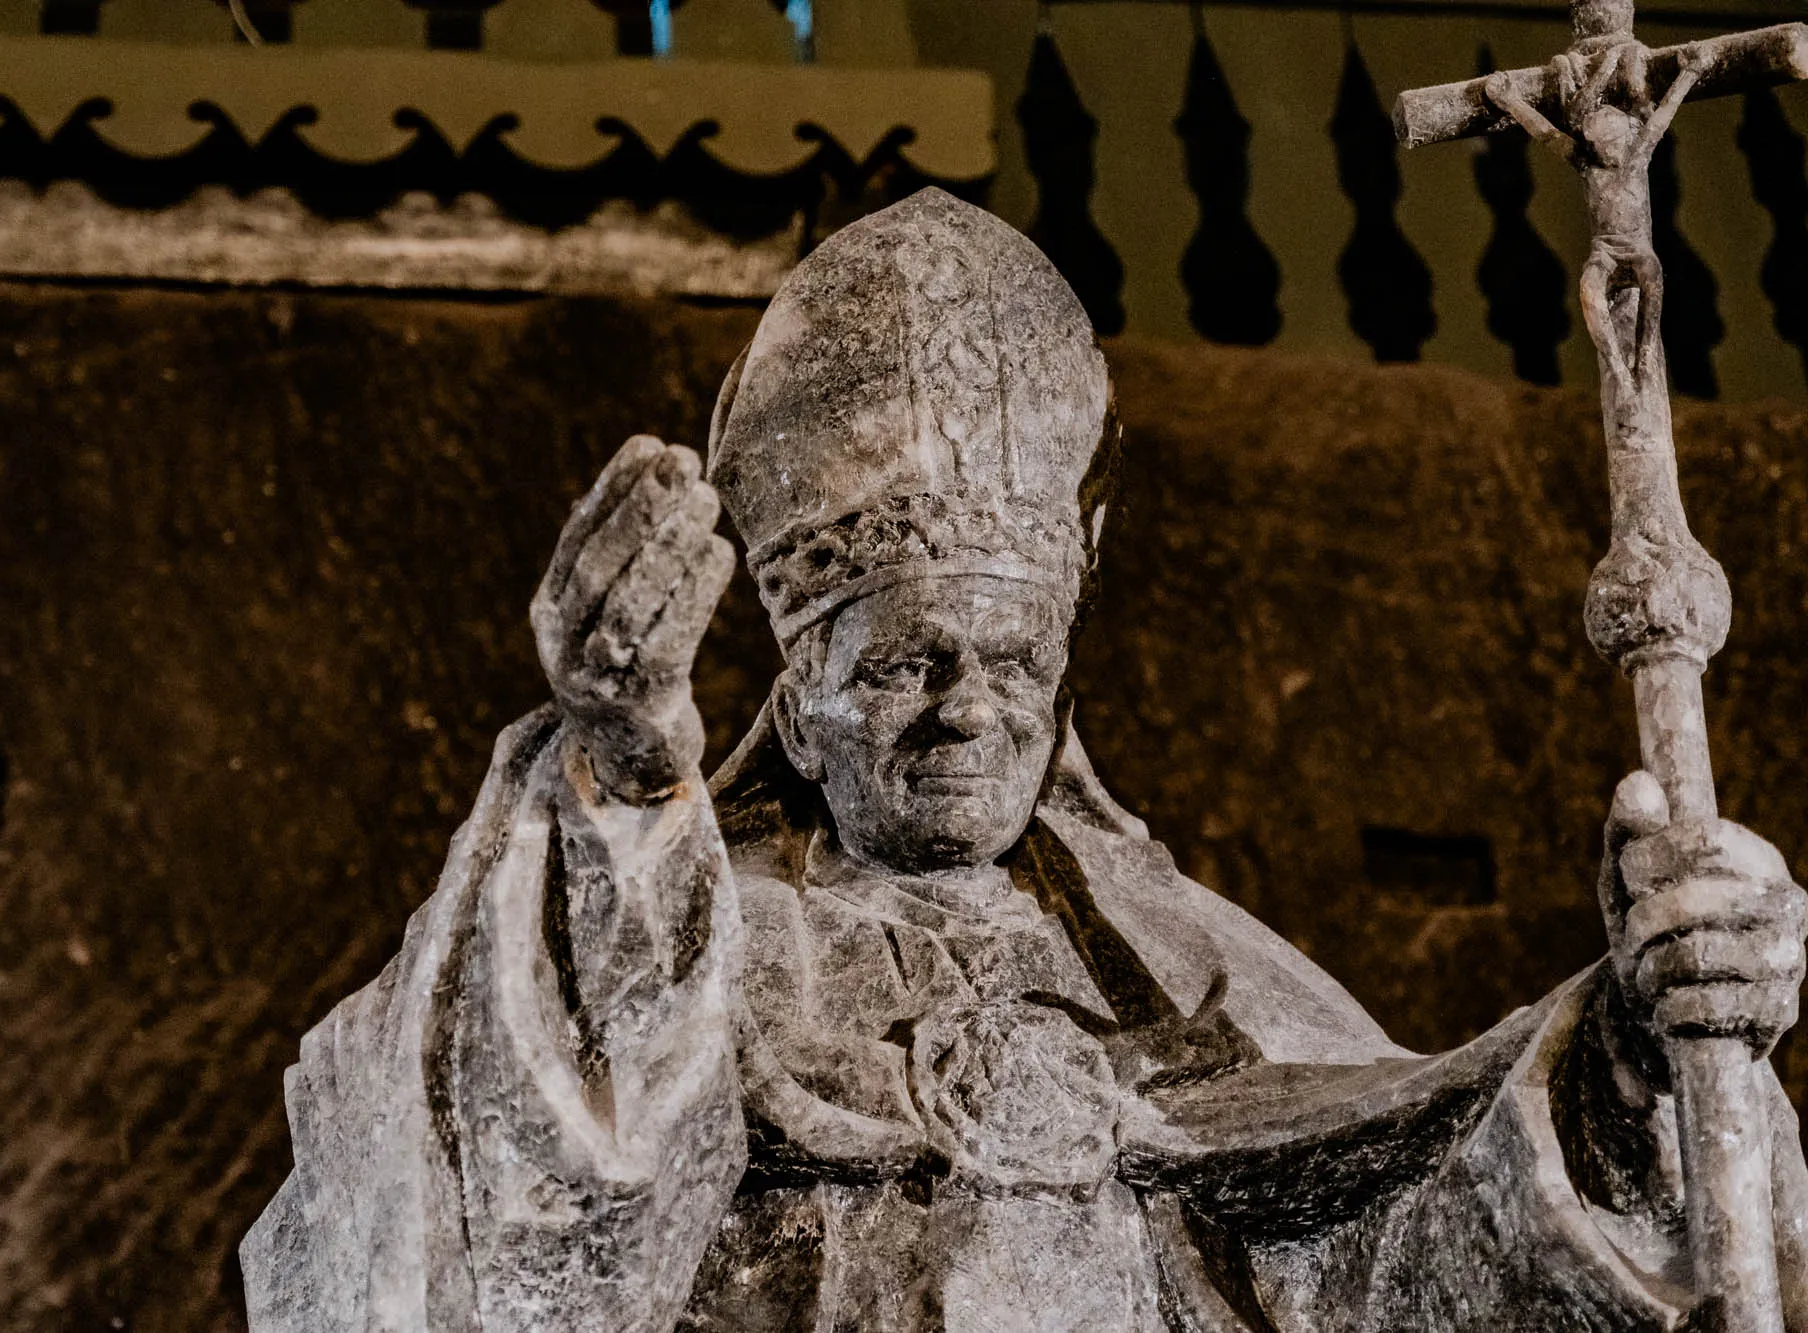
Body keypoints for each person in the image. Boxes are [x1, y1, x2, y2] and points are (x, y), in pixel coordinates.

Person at [242, 188, 1808, 1331]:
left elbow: (1402, 1250)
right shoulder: (686, 935)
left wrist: (1636, 1052)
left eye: (1015, 663)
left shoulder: (1173, 966)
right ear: (796, 697)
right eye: (910, 663)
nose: (968, 712)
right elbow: (523, 1230)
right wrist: (632, 774)